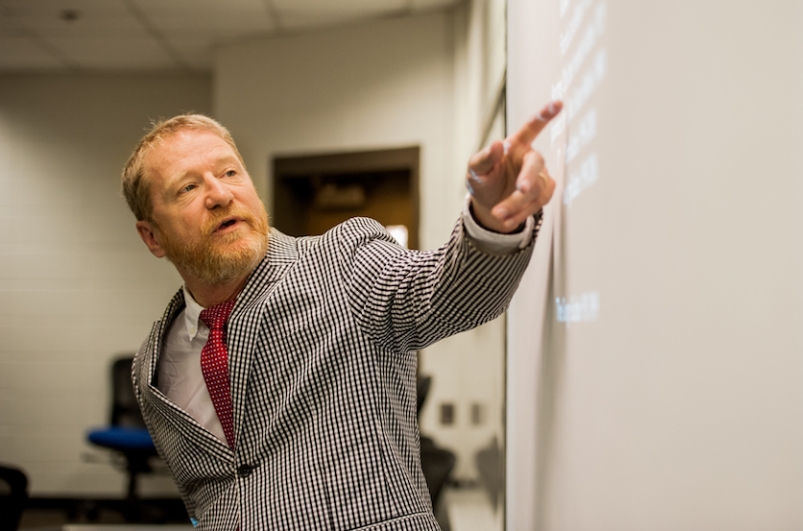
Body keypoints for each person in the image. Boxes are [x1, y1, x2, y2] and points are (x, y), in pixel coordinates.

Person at [123, 101, 562, 530]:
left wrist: (492, 221)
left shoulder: (345, 262)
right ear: (152, 237)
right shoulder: (152, 364)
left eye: (230, 172)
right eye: (188, 188)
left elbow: (449, 294)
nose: (220, 194)